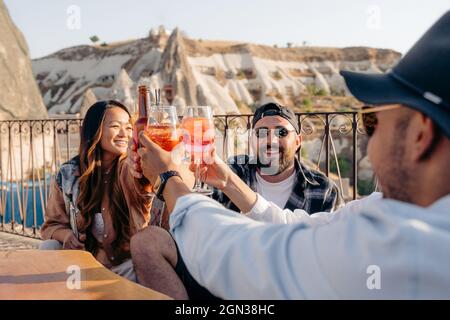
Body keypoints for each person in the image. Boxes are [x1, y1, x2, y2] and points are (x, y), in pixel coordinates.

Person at [131, 10, 450, 299]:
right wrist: (227, 181)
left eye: (374, 121)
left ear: (419, 134)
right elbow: (294, 226)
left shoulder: (403, 240)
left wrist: (170, 177)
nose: (370, 140)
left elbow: (254, 257)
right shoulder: (400, 214)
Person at [40, 100, 155, 282]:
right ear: (95, 131)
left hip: (125, 267)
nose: (124, 134)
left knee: (135, 271)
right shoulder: (68, 174)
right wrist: (67, 235)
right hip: (84, 264)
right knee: (48, 247)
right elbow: (51, 225)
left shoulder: (132, 169)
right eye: (115, 126)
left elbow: (146, 190)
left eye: (128, 127)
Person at [212, 102, 344, 214]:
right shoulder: (235, 173)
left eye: (281, 132)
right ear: (252, 140)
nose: (271, 141)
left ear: (297, 141)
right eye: (261, 133)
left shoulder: (323, 191)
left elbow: (336, 239)